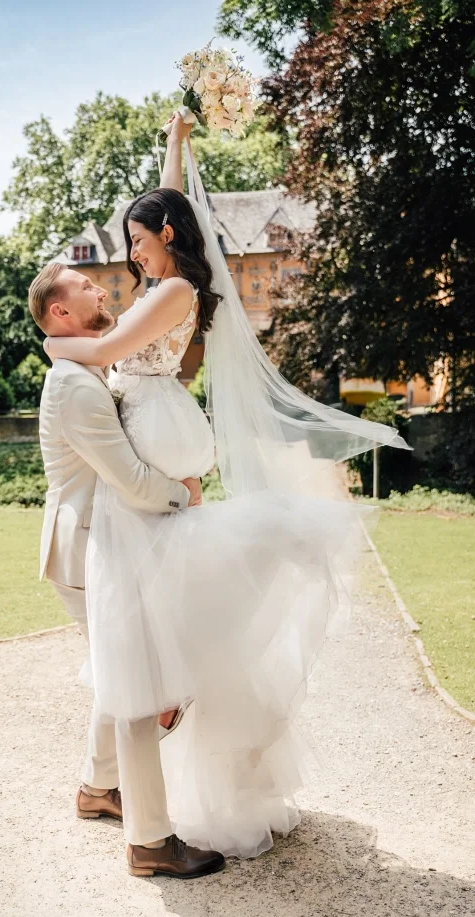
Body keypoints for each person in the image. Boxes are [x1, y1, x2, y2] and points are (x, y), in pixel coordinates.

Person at [40, 113, 411, 861]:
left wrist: (51, 340)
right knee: (142, 652)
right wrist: (173, 150)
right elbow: (162, 204)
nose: (128, 254)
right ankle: (115, 785)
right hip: (145, 474)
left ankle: (137, 779)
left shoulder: (167, 296)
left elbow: (108, 346)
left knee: (164, 645)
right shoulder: (164, 280)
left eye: (138, 242)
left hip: (156, 464)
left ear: (167, 240)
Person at [31, 258, 225, 879]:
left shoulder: (89, 369)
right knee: (142, 690)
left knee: (126, 680)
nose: (102, 287)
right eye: (86, 287)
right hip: (89, 551)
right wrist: (185, 492)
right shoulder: (74, 386)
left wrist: (175, 154)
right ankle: (150, 843)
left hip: (110, 546)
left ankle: (96, 787)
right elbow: (132, 480)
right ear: (61, 313)